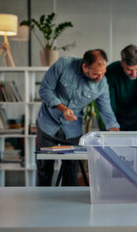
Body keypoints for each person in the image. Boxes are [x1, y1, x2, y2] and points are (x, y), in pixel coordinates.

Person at [36, 49, 120, 186]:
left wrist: (114, 128)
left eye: (103, 73)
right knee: (44, 169)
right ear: (84, 66)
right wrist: (62, 108)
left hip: (72, 129)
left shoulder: (102, 84)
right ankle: (41, 204)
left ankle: (68, 206)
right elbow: (44, 89)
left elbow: (106, 109)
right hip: (47, 124)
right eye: (96, 74)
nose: (100, 78)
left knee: (70, 171)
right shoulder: (64, 64)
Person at [106, 45, 137, 131]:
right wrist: (111, 126)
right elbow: (110, 104)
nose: (134, 73)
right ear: (122, 64)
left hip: (136, 117)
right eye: (129, 69)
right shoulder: (110, 72)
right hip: (115, 116)